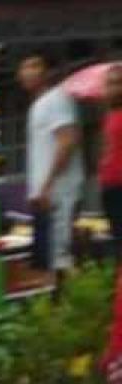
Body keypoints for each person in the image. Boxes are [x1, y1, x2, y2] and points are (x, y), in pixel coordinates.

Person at [18, 52, 86, 272]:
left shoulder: (57, 99)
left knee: (61, 255)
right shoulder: (38, 105)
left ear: (48, 72)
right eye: (24, 67)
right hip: (44, 194)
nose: (28, 72)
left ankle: (72, 300)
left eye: (34, 65)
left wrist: (48, 185)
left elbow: (67, 140)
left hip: (58, 191)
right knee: (47, 259)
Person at [101, 64, 122, 261]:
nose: (112, 88)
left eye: (117, 83)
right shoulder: (110, 115)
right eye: (108, 84)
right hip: (110, 186)